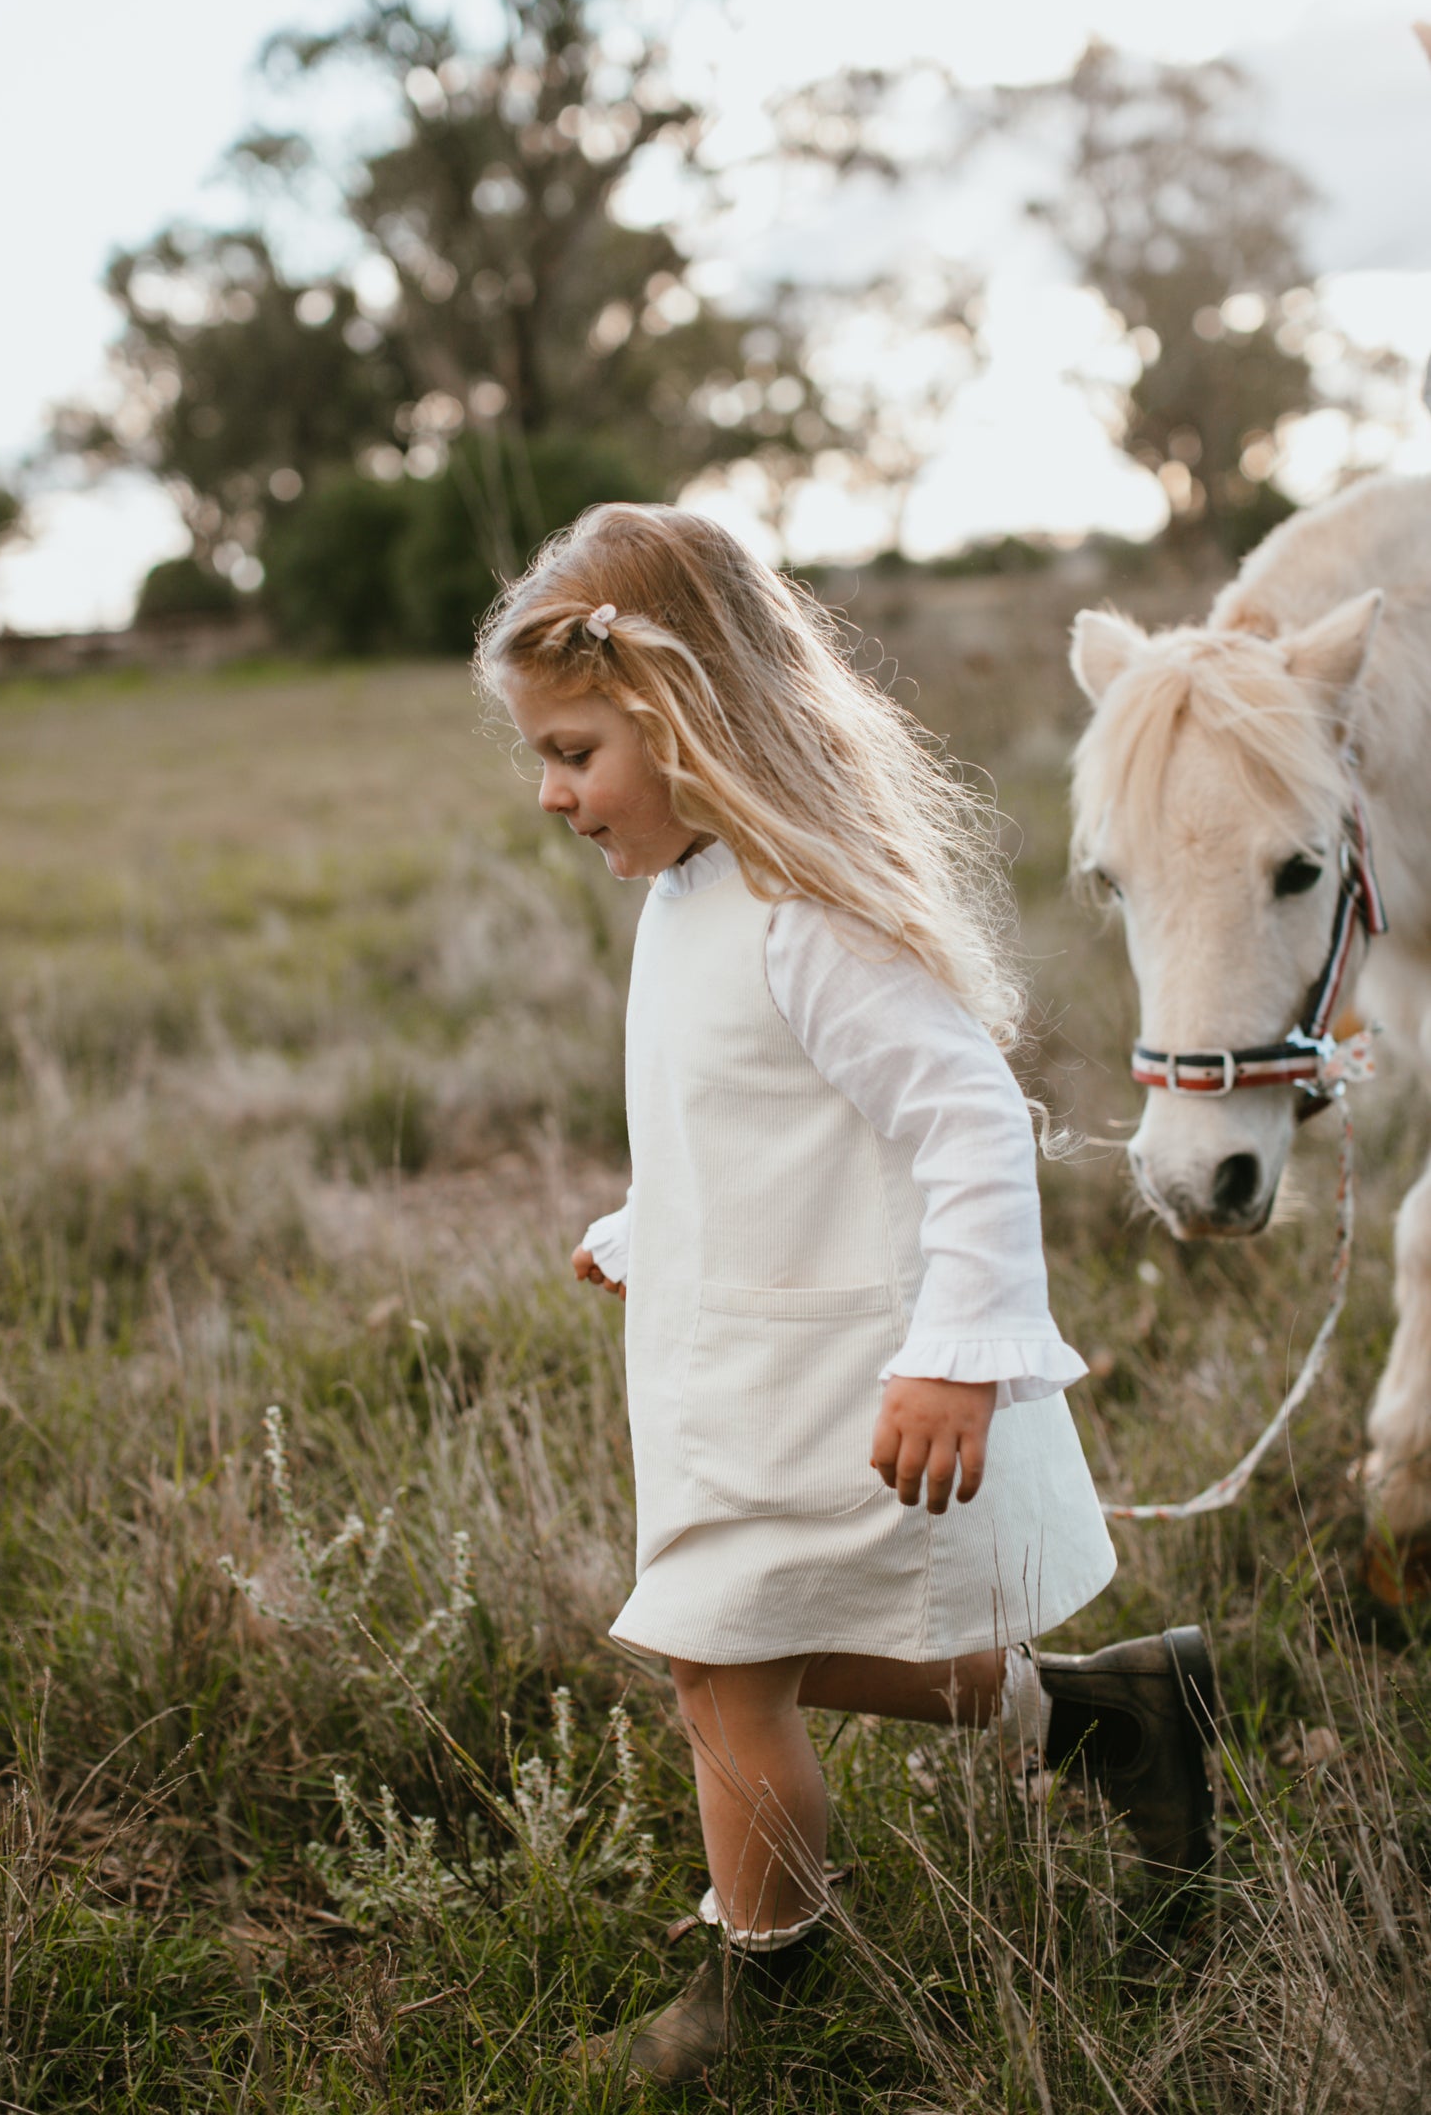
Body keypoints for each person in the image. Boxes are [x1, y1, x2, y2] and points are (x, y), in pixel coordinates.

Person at [475, 503, 1216, 2086]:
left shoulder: (803, 915)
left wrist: (958, 1357)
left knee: (721, 1671)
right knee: (754, 1645)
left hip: (840, 1385)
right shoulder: (693, 897)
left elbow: (958, 1125)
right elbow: (749, 1122)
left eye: (575, 749)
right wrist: (649, 1223)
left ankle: (762, 2000)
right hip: (736, 1363)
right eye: (541, 755)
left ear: (684, 718)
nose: (550, 793)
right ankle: (1108, 1714)